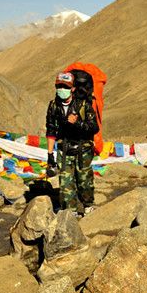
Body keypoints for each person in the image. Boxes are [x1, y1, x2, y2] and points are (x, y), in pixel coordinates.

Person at [45, 71, 99, 215]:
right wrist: (50, 155)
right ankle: (70, 212)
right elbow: (51, 130)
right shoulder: (53, 106)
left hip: (83, 149)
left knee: (84, 180)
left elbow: (94, 127)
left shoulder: (83, 105)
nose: (62, 89)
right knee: (65, 184)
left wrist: (78, 124)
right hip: (64, 149)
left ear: (73, 88)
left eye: (66, 86)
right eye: (59, 86)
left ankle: (88, 204)